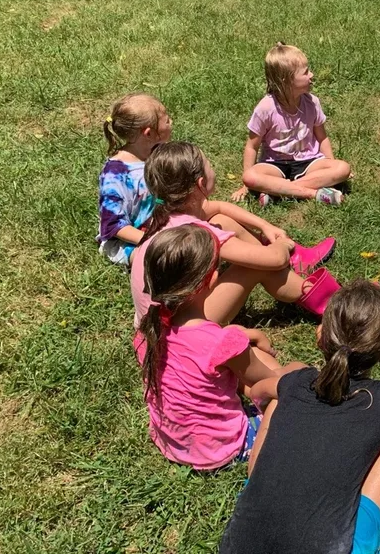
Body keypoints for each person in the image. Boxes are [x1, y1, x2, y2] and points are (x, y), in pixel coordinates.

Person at [219, 279, 380, 552]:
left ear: (319, 336)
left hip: (239, 545)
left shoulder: (294, 381)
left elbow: (259, 390)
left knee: (276, 402)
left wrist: (264, 406)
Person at [135, 225, 303, 470]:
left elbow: (195, 348)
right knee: (297, 376)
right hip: (221, 448)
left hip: (173, 442)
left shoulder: (146, 332)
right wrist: (299, 371)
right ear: (212, 280)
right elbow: (270, 384)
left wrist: (244, 335)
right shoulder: (221, 343)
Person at [130, 141, 338, 329]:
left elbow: (218, 207)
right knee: (256, 267)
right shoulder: (196, 234)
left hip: (159, 322)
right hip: (179, 332)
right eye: (209, 164)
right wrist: (282, 246)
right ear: (201, 184)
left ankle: (297, 267)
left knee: (224, 220)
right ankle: (333, 306)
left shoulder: (168, 214)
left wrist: (265, 226)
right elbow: (275, 259)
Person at [232, 43, 351, 206]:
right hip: (274, 164)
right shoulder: (266, 108)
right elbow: (252, 146)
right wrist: (245, 185)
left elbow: (322, 137)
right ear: (287, 81)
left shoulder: (312, 102)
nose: (312, 75)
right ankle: (313, 193)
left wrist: (330, 165)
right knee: (250, 177)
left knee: (342, 168)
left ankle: (276, 192)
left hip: (309, 162)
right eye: (306, 72)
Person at [97, 93, 172, 267]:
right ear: (149, 133)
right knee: (170, 259)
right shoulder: (115, 175)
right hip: (128, 242)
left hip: (161, 226)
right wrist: (154, 240)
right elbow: (113, 226)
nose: (171, 123)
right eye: (167, 120)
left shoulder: (160, 154)